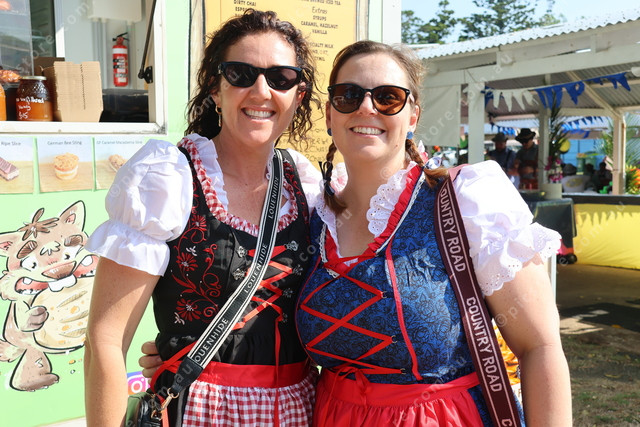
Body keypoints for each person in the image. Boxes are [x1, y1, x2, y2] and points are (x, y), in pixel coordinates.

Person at [294, 40, 572, 426]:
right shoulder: (312, 215)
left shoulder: (465, 201)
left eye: (388, 97)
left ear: (413, 115)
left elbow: (538, 346)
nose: (366, 107)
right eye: (348, 95)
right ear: (329, 113)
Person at [83, 9, 323, 426]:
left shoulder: (306, 184)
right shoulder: (168, 178)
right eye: (241, 74)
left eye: (281, 78)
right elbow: (105, 339)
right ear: (215, 86)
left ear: (298, 95)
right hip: (199, 410)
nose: (261, 91)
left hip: (298, 409)